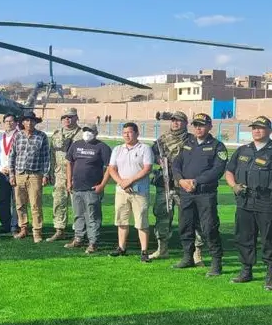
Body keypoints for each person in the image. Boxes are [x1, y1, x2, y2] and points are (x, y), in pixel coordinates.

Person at [224, 115, 272, 290]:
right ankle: (245, 271)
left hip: (268, 203)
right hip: (244, 201)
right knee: (244, 238)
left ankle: (271, 276)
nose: (256, 130)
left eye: (261, 128)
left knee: (269, 239)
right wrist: (233, 186)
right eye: (254, 128)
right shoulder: (243, 150)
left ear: (269, 131)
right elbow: (229, 171)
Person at [171, 113, 228, 276]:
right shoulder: (187, 143)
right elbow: (176, 164)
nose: (198, 128)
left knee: (209, 228)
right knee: (185, 226)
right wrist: (181, 180)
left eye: (201, 125)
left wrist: (196, 181)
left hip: (205, 194)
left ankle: (216, 263)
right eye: (195, 124)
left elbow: (217, 170)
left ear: (210, 127)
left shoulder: (218, 146)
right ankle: (188, 257)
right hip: (186, 192)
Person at [150, 112, 205, 263]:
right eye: (173, 120)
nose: (175, 123)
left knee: (191, 217)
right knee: (162, 215)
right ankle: (162, 248)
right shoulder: (162, 139)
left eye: (179, 121)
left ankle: (196, 251)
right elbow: (151, 154)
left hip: (185, 185)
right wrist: (159, 160)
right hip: (166, 183)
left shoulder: (192, 140)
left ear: (185, 123)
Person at [107, 122, 154, 261]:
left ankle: (144, 251)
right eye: (124, 132)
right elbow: (111, 169)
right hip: (122, 190)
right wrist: (122, 183)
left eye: (130, 132)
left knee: (141, 221)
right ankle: (121, 247)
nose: (127, 135)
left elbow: (147, 168)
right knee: (121, 220)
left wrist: (130, 180)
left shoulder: (145, 148)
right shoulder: (117, 149)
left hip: (140, 191)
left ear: (137, 133)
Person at [64, 125, 112, 254]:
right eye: (85, 130)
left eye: (90, 131)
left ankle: (93, 242)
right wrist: (69, 181)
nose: (87, 133)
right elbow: (69, 162)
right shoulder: (76, 145)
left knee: (92, 216)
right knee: (78, 214)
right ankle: (78, 238)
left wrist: (102, 185)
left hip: (92, 188)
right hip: (77, 187)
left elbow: (110, 167)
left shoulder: (102, 147)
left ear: (96, 133)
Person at [9, 110, 52, 243]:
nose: (29, 123)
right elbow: (12, 155)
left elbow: (46, 157)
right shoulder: (18, 136)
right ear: (22, 122)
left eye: (31, 120)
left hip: (35, 174)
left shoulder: (42, 136)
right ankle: (23, 228)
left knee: (35, 204)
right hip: (19, 174)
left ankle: (37, 231)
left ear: (35, 122)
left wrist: (45, 174)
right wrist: (12, 174)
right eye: (26, 120)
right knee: (20, 204)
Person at [48, 108, 82, 241]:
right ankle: (59, 229)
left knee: (78, 204)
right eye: (64, 117)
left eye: (70, 117)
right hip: (59, 174)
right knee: (58, 202)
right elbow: (52, 155)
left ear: (76, 118)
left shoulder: (82, 135)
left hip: (77, 174)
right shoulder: (56, 135)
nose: (67, 120)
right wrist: (50, 173)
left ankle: (78, 231)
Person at [0, 113, 20, 234]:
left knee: (17, 199)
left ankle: (15, 225)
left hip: (16, 173)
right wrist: (0, 168)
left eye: (11, 121)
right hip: (2, 173)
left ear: (16, 123)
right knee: (3, 200)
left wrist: (13, 168)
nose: (9, 123)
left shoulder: (20, 137)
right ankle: (5, 224)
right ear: (3, 123)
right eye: (6, 121)